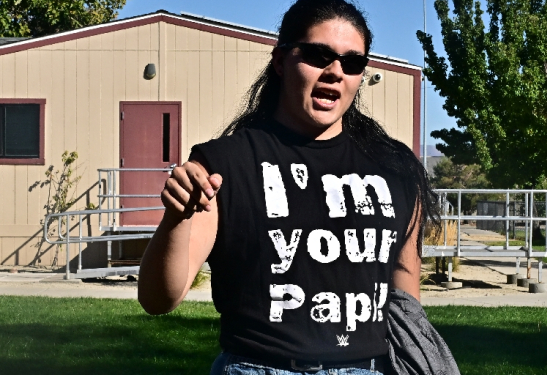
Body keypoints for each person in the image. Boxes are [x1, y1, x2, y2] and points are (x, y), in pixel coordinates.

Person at [138, 0, 439, 374]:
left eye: (352, 62)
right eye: (317, 55)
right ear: (280, 61)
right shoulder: (225, 164)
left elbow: (406, 302)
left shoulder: (395, 169)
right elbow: (158, 299)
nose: (335, 72)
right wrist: (176, 219)